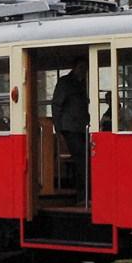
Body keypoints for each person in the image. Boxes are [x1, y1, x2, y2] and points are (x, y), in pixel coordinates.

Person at [51, 58, 89, 203]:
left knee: (85, 159)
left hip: (82, 127)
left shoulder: (83, 82)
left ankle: (84, 193)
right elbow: (56, 105)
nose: (83, 70)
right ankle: (82, 194)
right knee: (81, 159)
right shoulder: (65, 82)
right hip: (69, 128)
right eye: (81, 67)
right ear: (75, 67)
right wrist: (58, 129)